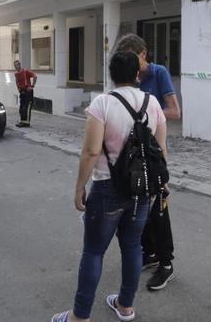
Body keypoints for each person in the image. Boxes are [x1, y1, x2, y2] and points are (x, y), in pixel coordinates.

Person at [52, 51, 167, 322]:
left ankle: (79, 316)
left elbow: (91, 152)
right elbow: (160, 151)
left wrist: (79, 187)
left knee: (94, 251)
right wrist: (163, 185)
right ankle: (125, 306)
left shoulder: (102, 103)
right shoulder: (153, 104)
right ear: (137, 75)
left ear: (110, 74)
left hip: (106, 189)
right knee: (132, 247)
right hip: (142, 190)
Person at [114, 34, 180, 291]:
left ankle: (166, 264)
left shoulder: (158, 73)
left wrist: (145, 113)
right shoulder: (129, 77)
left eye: (134, 58)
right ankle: (149, 253)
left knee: (159, 210)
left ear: (144, 54)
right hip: (131, 155)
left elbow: (174, 111)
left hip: (154, 153)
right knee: (137, 207)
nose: (131, 63)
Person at [14, 59, 37, 128]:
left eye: (17, 65)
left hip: (28, 92)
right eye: (15, 66)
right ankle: (22, 121)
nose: (16, 67)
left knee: (27, 107)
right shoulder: (16, 74)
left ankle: (26, 123)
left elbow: (35, 76)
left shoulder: (25, 71)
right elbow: (16, 81)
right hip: (22, 92)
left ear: (20, 65)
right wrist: (18, 88)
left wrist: (32, 86)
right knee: (22, 108)